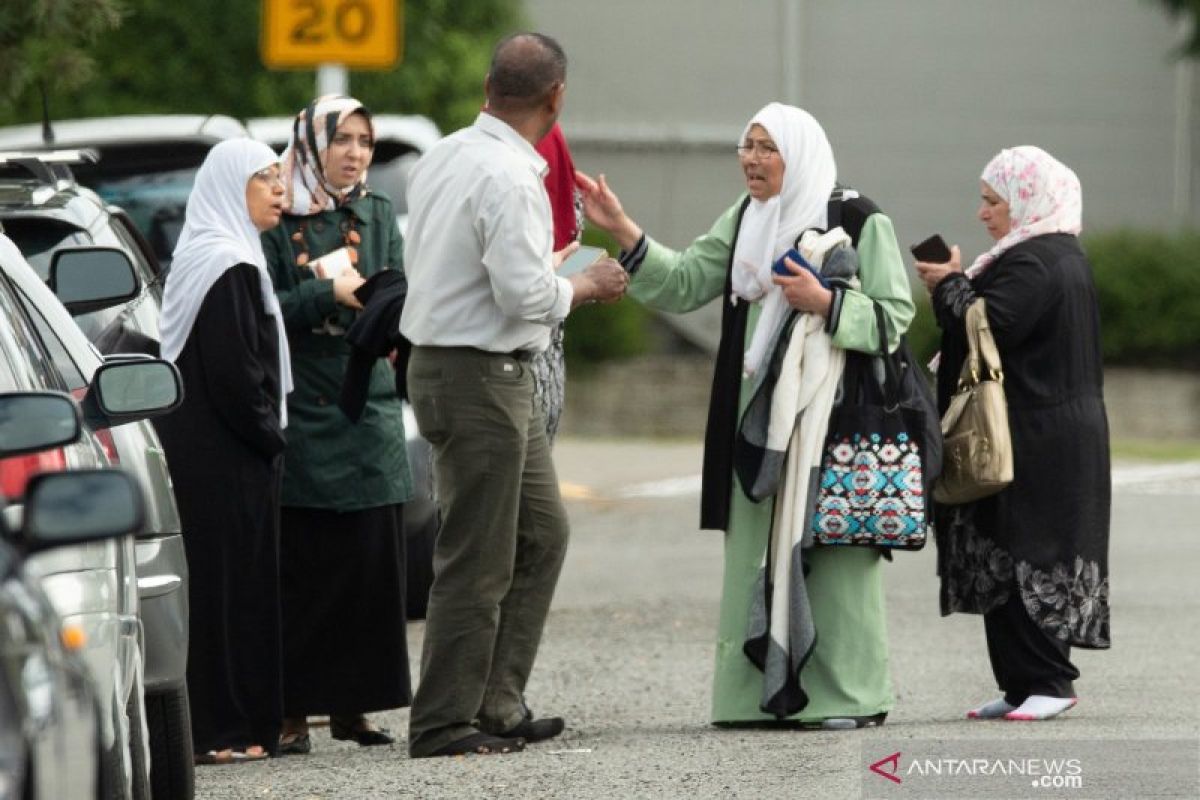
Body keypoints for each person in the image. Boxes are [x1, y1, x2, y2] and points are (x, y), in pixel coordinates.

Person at [576, 102, 915, 727]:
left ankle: (851, 697)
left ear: (800, 154)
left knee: (835, 554)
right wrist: (623, 230)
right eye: (746, 145)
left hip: (831, 421)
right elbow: (683, 282)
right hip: (755, 419)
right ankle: (750, 697)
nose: (751, 159)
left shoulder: (859, 219)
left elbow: (895, 316)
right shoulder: (745, 219)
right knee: (755, 552)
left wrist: (826, 301)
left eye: (767, 148)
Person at [400, 32, 629, 758]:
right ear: (556, 97)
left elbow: (467, 265)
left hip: (461, 365)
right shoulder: (507, 175)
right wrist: (584, 283)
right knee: (478, 555)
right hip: (480, 377)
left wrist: (544, 270)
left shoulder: (447, 154)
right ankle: (443, 720)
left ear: (491, 86)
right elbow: (523, 294)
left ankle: (495, 701)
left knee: (541, 534)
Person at [915, 145, 1111, 722]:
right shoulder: (1034, 255)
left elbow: (987, 325)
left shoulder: (1041, 260)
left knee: (1035, 550)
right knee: (1001, 549)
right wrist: (952, 285)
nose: (983, 213)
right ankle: (1022, 684)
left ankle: (1051, 681)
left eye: (992, 201)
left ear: (1027, 201)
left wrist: (950, 283)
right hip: (1029, 427)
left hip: (1043, 436)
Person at [260, 96, 413, 754]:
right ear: (310, 142)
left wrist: (387, 309)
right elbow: (265, 303)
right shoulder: (276, 215)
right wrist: (328, 293)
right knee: (304, 565)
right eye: (341, 139)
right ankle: (292, 711)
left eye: (364, 140)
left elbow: (400, 283)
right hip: (305, 399)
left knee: (368, 563)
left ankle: (356, 706)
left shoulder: (376, 212)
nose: (354, 151)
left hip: (367, 398)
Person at [155, 138, 293, 763]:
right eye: (263, 177)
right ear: (229, 187)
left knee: (234, 587)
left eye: (276, 175)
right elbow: (236, 375)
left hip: (220, 451)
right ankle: (221, 730)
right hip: (224, 455)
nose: (277, 188)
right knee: (224, 592)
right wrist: (272, 436)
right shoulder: (224, 264)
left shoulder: (224, 253)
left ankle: (240, 725)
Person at [530, 121, 584, 443]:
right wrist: (586, 285)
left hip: (540, 352)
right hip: (520, 359)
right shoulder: (518, 169)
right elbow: (526, 289)